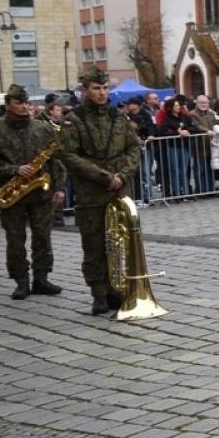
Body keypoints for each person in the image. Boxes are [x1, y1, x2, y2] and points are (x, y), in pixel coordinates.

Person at [57, 67, 142, 314]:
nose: (102, 93)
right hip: (91, 191)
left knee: (119, 243)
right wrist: (104, 177)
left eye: (105, 88)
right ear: (85, 90)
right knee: (94, 244)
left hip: (120, 189)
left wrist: (123, 175)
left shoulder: (118, 116)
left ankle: (117, 289)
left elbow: (133, 148)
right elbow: (69, 155)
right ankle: (99, 293)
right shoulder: (74, 119)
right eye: (96, 88)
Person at [0, 84, 67, 300]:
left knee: (43, 237)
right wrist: (14, 169)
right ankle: (21, 281)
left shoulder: (42, 127)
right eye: (19, 103)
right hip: (12, 194)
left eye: (27, 102)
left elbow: (56, 159)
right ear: (8, 105)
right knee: (15, 239)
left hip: (41, 193)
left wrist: (59, 187)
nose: (25, 107)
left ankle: (41, 278)